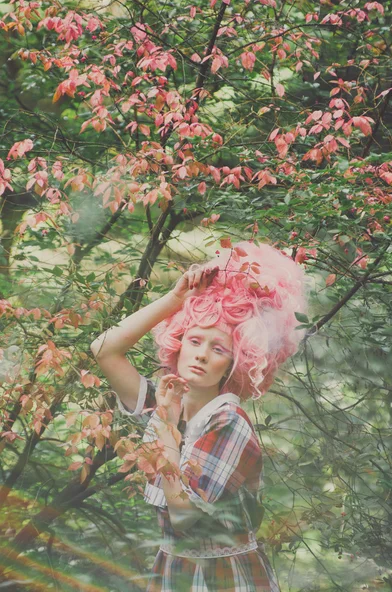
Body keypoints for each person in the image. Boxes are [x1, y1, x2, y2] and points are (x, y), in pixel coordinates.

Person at [90, 240, 307, 592]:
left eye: (218, 348)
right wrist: (177, 299)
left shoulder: (228, 421)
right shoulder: (165, 399)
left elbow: (184, 517)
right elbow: (104, 349)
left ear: (235, 362)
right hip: (173, 571)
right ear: (178, 342)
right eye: (194, 340)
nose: (202, 355)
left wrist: (163, 424)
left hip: (224, 578)